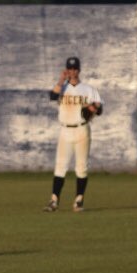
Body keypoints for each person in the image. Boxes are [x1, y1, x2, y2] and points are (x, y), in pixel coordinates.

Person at [45, 56, 102, 212]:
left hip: (82, 129)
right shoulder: (62, 88)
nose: (72, 71)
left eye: (75, 69)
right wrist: (60, 80)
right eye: (69, 69)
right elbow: (52, 97)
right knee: (60, 166)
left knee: (81, 167)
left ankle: (79, 200)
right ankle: (54, 200)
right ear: (66, 70)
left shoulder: (89, 89)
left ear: (79, 70)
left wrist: (94, 108)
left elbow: (100, 109)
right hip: (65, 130)